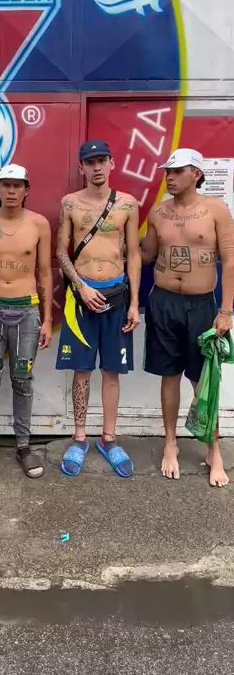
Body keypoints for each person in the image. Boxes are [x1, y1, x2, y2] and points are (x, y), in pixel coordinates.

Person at [141, 148, 234, 486]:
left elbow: (230, 260)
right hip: (163, 302)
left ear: (196, 173)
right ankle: (170, 443)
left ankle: (213, 449)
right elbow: (146, 255)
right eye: (168, 171)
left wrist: (226, 311)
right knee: (169, 376)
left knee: (203, 380)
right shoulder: (158, 211)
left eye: (178, 171)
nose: (170, 177)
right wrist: (109, 244)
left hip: (202, 305)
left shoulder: (216, 209)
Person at [55, 140, 141, 478]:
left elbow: (133, 254)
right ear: (81, 168)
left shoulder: (127, 203)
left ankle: (108, 438)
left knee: (111, 371)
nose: (97, 167)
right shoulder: (69, 203)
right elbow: (61, 253)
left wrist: (134, 303)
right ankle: (79, 438)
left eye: (102, 160)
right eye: (90, 162)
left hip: (117, 296)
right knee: (81, 371)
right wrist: (80, 286)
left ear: (112, 163)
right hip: (81, 298)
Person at [0, 164, 53, 479]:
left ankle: (24, 446)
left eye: (17, 185)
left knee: (23, 380)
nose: (12, 191)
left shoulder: (39, 224)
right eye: (6, 185)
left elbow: (45, 273)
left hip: (26, 311)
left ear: (27, 190)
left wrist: (47, 318)